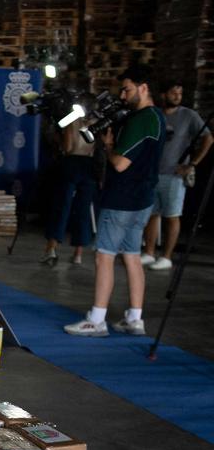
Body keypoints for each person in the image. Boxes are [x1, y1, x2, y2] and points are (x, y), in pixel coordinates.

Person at [64, 65, 166, 337]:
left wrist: (108, 145)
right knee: (131, 256)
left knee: (104, 257)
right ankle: (135, 318)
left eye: (127, 89)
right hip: (143, 198)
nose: (122, 95)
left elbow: (120, 164)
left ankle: (96, 320)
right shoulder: (158, 118)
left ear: (144, 88)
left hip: (122, 198)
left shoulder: (140, 119)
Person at [141, 81, 212, 270]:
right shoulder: (155, 114)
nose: (177, 96)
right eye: (173, 92)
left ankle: (166, 256)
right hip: (153, 173)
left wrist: (192, 163)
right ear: (163, 94)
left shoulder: (189, 115)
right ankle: (149, 252)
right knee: (151, 214)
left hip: (174, 174)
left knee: (172, 215)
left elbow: (208, 137)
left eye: (180, 93)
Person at [42, 115, 98, 265]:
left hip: (71, 163)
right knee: (83, 209)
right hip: (89, 165)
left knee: (62, 206)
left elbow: (67, 147)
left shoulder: (72, 118)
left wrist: (58, 139)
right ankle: (78, 254)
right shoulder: (96, 120)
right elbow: (93, 143)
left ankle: (51, 249)